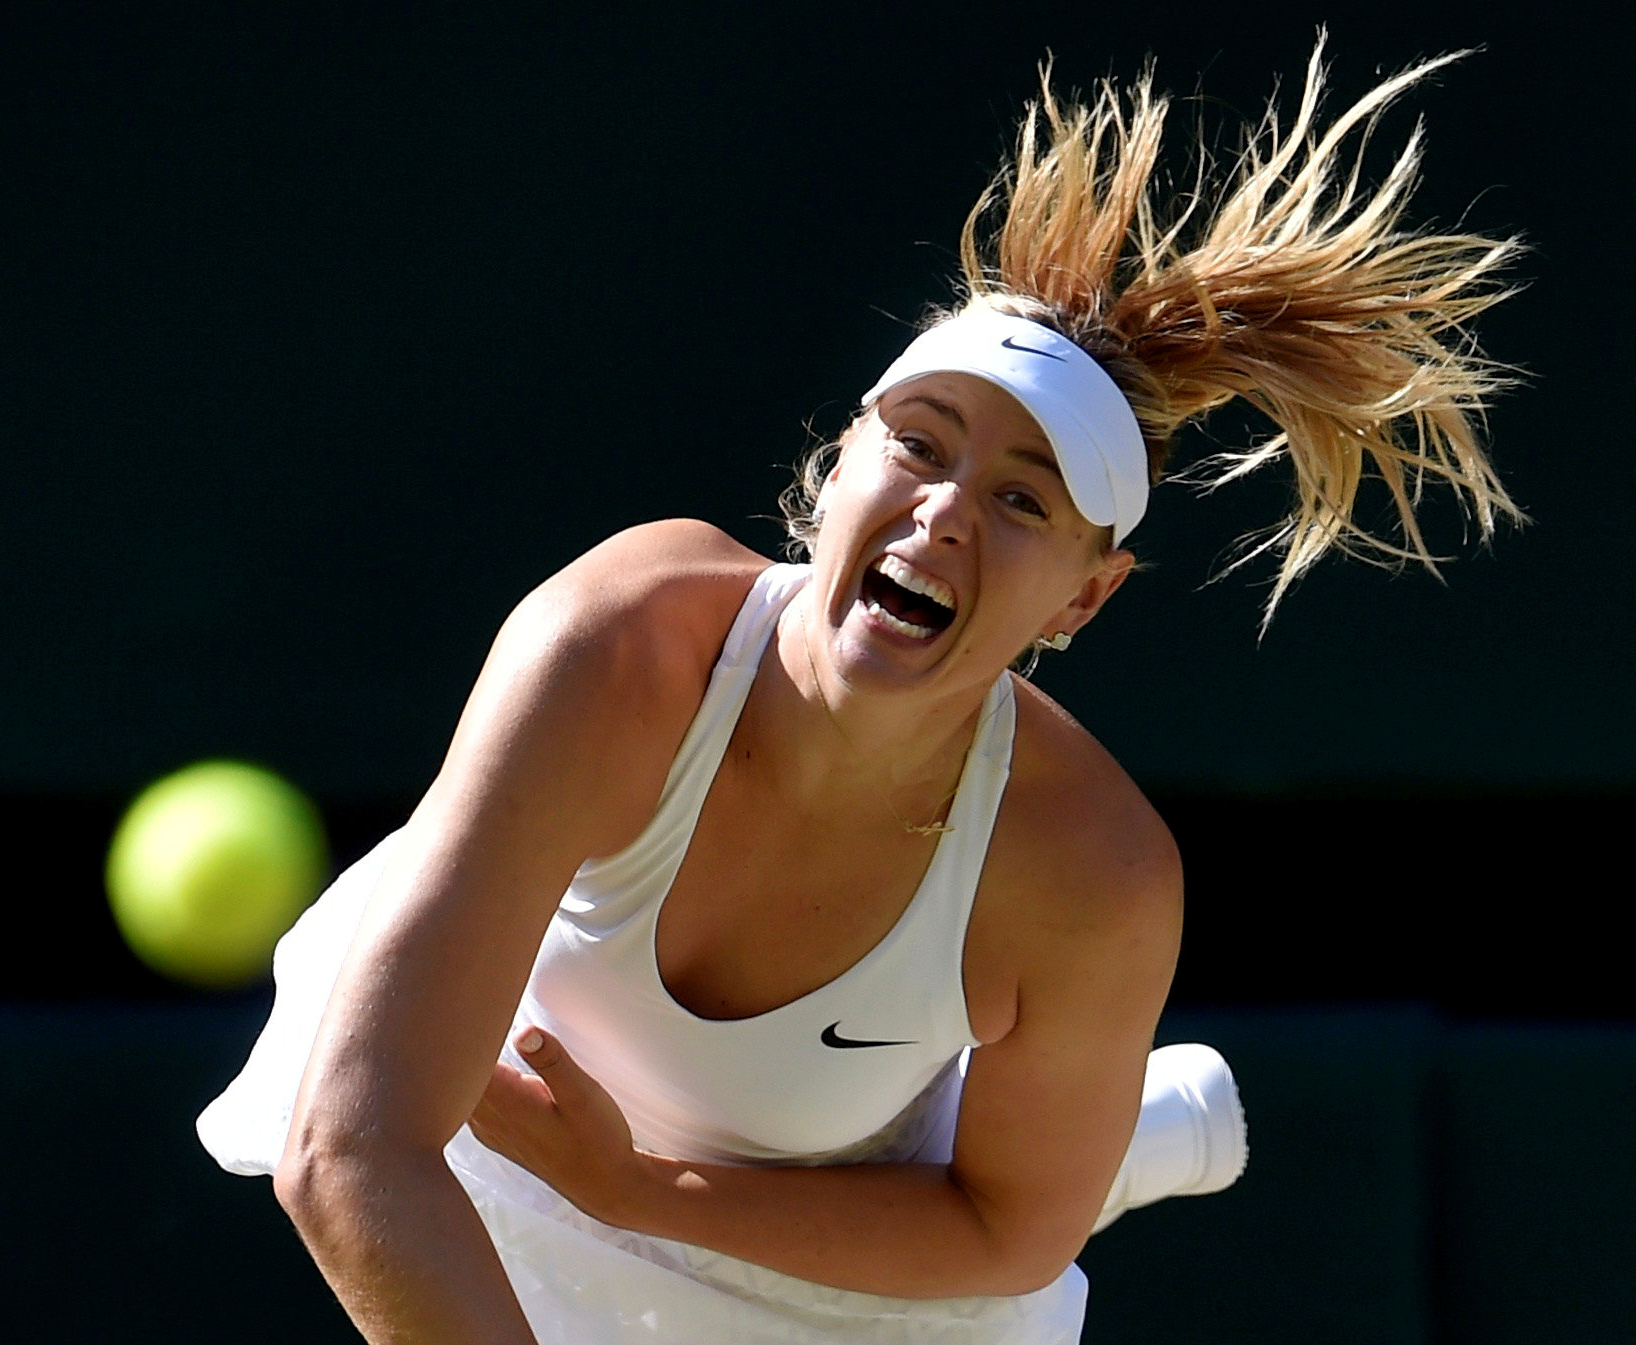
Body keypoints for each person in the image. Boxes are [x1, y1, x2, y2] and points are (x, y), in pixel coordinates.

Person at [197, 41, 1518, 1345]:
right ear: (832, 473)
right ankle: (1112, 1132)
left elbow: (1000, 1234)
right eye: (916, 445)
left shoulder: (1090, 873)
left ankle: (1085, 1139)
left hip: (826, 1260)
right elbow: (356, 1143)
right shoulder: (613, 651)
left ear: (1081, 598)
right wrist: (589, 1181)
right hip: (497, 1149)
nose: (943, 509)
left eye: (1018, 499)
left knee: (1021, 1185)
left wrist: (639, 1187)